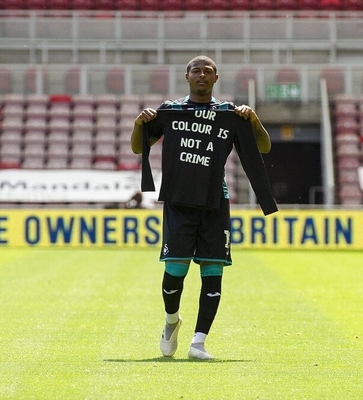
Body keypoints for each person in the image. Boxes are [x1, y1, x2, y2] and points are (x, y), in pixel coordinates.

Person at [131, 55, 278, 359]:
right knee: (175, 270)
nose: (201, 75)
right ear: (187, 77)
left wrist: (254, 119)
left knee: (213, 270)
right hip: (179, 200)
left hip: (215, 201)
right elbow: (138, 147)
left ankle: (198, 342)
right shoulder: (171, 111)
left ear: (215, 78)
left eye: (207, 71)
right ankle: (172, 320)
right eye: (196, 71)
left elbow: (263, 147)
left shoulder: (230, 114)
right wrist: (139, 123)